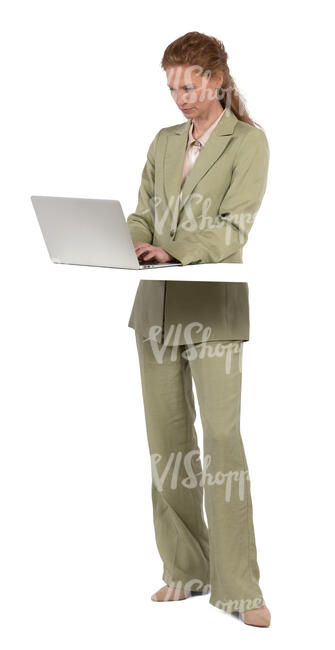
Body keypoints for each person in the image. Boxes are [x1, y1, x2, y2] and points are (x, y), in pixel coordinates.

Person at [127, 31, 271, 627]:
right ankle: (184, 569)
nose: (180, 97)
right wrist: (136, 239)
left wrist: (172, 251)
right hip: (156, 307)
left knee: (221, 446)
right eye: (172, 87)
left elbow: (234, 230)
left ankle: (239, 588)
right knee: (167, 447)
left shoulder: (249, 142)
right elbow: (140, 208)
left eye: (189, 85)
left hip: (212, 304)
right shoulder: (164, 143)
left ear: (216, 80)